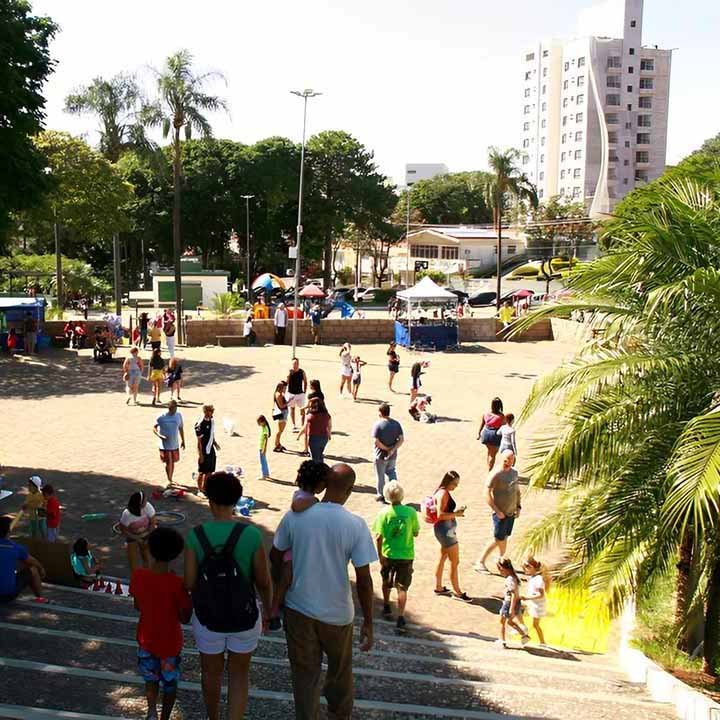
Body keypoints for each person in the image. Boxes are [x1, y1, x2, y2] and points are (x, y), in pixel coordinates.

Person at [271, 463, 377, 720]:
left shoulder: (295, 515)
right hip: (338, 614)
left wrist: (281, 592)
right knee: (340, 674)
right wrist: (369, 622)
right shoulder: (356, 524)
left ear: (326, 483)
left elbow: (274, 555)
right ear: (350, 490)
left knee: (304, 676)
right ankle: (338, 715)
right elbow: (364, 579)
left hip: (299, 609)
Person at [184, 471, 273, 720]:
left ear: (210, 500)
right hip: (243, 614)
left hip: (207, 615)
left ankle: (213, 717)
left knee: (210, 672)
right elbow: (264, 581)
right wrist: (269, 610)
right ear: (237, 500)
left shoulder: (195, 536)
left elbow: (189, 582)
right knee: (239, 674)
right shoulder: (251, 535)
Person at [131, 527, 192, 720]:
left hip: (146, 640)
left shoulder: (139, 577)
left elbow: (137, 606)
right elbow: (185, 617)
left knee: (150, 679)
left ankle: (151, 712)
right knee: (170, 683)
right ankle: (164, 717)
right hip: (170, 643)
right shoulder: (177, 584)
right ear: (175, 554)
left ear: (149, 548)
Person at [268, 461, 330, 630]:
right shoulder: (306, 499)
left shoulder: (301, 493)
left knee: (282, 581)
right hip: (293, 552)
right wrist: (317, 503)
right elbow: (297, 506)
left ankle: (276, 605)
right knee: (285, 580)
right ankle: (273, 610)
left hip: (290, 547)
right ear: (317, 483)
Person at [372, 480, 419, 630]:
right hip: (406, 555)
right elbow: (416, 532)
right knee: (402, 587)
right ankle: (400, 616)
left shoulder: (383, 513)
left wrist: (380, 555)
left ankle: (386, 605)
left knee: (386, 581)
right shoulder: (410, 512)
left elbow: (378, 536)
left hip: (388, 553)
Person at [475, 450, 521, 574]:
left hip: (511, 512)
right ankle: (481, 561)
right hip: (500, 512)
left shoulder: (514, 473)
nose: (508, 462)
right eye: (506, 460)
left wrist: (518, 506)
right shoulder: (496, 474)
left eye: (510, 460)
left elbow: (517, 490)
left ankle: (502, 562)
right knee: (498, 539)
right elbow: (486, 493)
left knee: (504, 537)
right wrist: (496, 510)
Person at [430, 471, 471, 602]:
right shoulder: (443, 494)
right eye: (454, 484)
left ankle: (438, 586)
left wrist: (454, 513)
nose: (455, 487)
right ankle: (458, 592)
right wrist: (456, 515)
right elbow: (440, 515)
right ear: (448, 482)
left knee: (442, 557)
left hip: (443, 530)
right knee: (454, 561)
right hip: (446, 531)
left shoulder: (439, 491)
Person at [0, 516, 48, 603]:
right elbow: (33, 561)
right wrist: (41, 568)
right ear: (8, 531)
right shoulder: (15, 547)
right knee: (33, 569)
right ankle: (41, 599)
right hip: (8, 594)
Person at [371, 403, 404, 502]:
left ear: (380, 413)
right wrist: (392, 449)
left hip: (380, 455)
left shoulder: (378, 424)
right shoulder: (396, 424)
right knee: (391, 472)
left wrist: (386, 448)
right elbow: (401, 439)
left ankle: (381, 495)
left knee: (380, 476)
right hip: (392, 455)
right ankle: (396, 493)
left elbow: (376, 441)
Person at [119, 491, 157, 573]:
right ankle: (134, 575)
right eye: (145, 500)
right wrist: (137, 538)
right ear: (139, 503)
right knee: (132, 557)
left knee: (146, 554)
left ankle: (148, 573)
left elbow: (153, 523)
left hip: (147, 533)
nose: (147, 501)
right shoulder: (127, 514)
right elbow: (123, 530)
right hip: (132, 535)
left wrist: (146, 535)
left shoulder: (148, 507)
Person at [496, 557, 530, 648]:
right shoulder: (514, 577)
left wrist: (511, 608)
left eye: (500, 569)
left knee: (502, 621)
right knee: (510, 622)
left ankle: (502, 640)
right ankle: (524, 635)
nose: (500, 571)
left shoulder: (510, 579)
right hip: (514, 602)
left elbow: (514, 594)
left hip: (509, 603)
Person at [154, 400, 185, 487]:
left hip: (174, 443)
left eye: (175, 408)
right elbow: (154, 428)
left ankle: (170, 478)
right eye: (172, 409)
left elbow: (181, 428)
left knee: (173, 462)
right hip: (164, 445)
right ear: (169, 408)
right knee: (169, 462)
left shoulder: (178, 416)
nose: (173, 410)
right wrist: (160, 435)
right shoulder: (161, 417)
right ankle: (169, 479)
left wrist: (183, 441)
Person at [520, 557, 550, 645]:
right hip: (533, 604)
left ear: (532, 567)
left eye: (526, 567)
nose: (524, 570)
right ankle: (540, 641)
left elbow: (541, 594)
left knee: (535, 624)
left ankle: (542, 641)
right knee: (523, 616)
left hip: (537, 606)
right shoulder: (534, 578)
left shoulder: (538, 580)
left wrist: (527, 598)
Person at [297, 397, 332, 463]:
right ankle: (322, 469)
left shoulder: (310, 416)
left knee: (315, 458)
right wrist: (329, 435)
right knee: (320, 455)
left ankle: (318, 471)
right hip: (324, 438)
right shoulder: (327, 415)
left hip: (314, 438)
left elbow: (305, 427)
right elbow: (329, 426)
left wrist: (299, 435)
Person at [195, 404, 220, 494]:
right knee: (202, 472)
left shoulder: (212, 421)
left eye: (213, 411)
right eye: (211, 411)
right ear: (205, 412)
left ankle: (205, 487)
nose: (212, 413)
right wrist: (200, 454)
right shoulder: (200, 424)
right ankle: (199, 489)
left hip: (211, 449)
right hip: (204, 451)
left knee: (210, 471)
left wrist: (215, 442)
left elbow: (211, 434)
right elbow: (199, 442)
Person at [477, 397, 505, 470]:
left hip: (486, 434)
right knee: (492, 455)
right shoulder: (501, 416)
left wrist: (479, 433)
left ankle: (489, 467)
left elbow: (482, 424)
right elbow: (504, 427)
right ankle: (490, 470)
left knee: (489, 452)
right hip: (494, 436)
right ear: (500, 406)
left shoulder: (486, 414)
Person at [286, 358, 308, 430]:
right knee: (292, 409)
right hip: (291, 394)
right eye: (293, 364)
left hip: (300, 394)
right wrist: (288, 375)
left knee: (302, 409)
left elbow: (305, 381)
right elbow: (286, 383)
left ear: (298, 364)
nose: (295, 365)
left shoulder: (302, 372)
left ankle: (302, 426)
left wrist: (304, 391)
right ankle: (293, 425)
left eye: (296, 363)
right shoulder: (290, 372)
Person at [272, 381, 289, 453]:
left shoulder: (278, 393)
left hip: (283, 413)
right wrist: (289, 402)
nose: (285, 389)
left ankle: (278, 444)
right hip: (282, 413)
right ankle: (276, 445)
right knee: (280, 431)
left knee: (280, 431)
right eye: (285, 388)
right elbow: (281, 406)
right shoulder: (279, 395)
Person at [257, 415, 271, 481]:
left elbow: (266, 440)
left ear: (263, 422)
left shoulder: (265, 429)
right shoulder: (264, 427)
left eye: (259, 423)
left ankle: (264, 475)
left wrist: (264, 448)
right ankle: (266, 473)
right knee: (264, 461)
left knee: (262, 462)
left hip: (262, 447)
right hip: (261, 446)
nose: (258, 424)